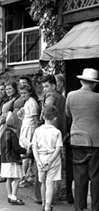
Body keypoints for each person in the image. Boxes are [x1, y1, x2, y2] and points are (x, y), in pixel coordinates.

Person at [65, 68, 99, 211]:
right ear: (94, 84)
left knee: (79, 174)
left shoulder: (71, 95)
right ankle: (96, 208)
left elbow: (67, 114)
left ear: (81, 81)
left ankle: (79, 207)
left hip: (77, 138)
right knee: (96, 175)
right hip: (95, 140)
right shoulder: (98, 98)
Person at [42, 74, 73, 204]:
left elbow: (47, 110)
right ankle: (63, 193)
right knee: (61, 166)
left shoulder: (50, 97)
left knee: (48, 166)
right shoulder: (64, 98)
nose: (44, 89)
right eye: (43, 87)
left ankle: (47, 198)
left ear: (54, 86)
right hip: (63, 134)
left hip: (51, 136)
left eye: (47, 86)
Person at [32, 105, 63, 211]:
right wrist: (50, 161)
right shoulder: (57, 132)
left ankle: (43, 202)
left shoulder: (37, 131)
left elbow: (34, 147)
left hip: (40, 157)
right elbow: (58, 148)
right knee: (50, 183)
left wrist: (38, 160)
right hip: (52, 159)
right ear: (55, 118)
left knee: (43, 182)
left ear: (43, 116)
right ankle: (48, 206)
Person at [0, 81, 19, 183]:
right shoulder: (6, 99)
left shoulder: (15, 100)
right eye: (6, 89)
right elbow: (0, 112)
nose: (8, 91)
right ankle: (2, 172)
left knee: (6, 149)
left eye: (10, 89)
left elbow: (8, 114)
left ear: (14, 89)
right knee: (2, 149)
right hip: (1, 125)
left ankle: (5, 174)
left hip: (7, 126)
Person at [0, 113, 27, 206]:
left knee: (8, 178)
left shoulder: (4, 133)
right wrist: (25, 151)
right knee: (17, 178)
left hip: (5, 159)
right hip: (12, 159)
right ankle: (14, 196)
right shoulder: (13, 135)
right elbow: (16, 148)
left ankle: (9, 195)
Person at [18, 84, 39, 186]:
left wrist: (36, 132)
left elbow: (35, 120)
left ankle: (23, 177)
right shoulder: (27, 102)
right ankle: (25, 175)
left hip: (29, 130)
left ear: (30, 92)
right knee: (24, 154)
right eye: (21, 93)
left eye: (25, 93)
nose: (23, 95)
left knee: (25, 154)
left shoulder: (32, 103)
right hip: (25, 128)